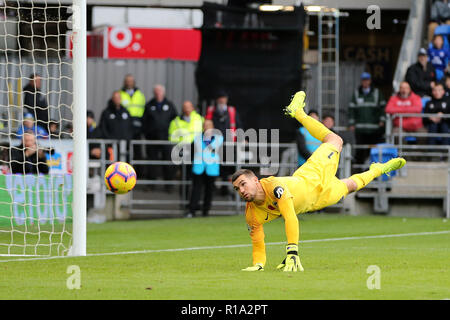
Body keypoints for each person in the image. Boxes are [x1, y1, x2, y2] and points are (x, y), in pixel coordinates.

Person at [232, 91, 406, 272]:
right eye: (237, 189)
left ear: (255, 180)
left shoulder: (274, 186)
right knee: (350, 186)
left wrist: (292, 252)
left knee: (335, 139)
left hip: (311, 175)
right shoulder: (251, 215)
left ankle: (298, 112)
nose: (241, 190)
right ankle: (378, 169)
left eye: (243, 184)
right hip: (318, 199)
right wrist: (258, 265)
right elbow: (258, 243)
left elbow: (290, 216)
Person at [205, 90, 243, 195]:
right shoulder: (211, 111)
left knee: (228, 167)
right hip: (214, 144)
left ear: (226, 99)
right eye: (220, 98)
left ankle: (225, 189)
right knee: (215, 166)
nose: (222, 100)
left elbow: (238, 125)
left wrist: (242, 137)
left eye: (223, 98)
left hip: (229, 144)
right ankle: (212, 188)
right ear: (217, 100)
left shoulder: (232, 111)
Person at [186, 120, 223, 218]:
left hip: (212, 168)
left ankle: (206, 211)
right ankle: (192, 210)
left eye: (209, 126)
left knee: (209, 190)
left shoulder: (219, 139)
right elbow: (191, 151)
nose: (207, 128)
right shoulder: (197, 138)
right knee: (196, 190)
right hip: (199, 167)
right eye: (205, 126)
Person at [348, 72, 386, 164]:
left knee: (373, 151)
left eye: (367, 80)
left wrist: (382, 120)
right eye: (363, 80)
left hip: (374, 130)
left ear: (370, 81)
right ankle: (359, 171)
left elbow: (383, 107)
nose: (365, 82)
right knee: (360, 151)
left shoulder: (377, 93)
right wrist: (352, 123)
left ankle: (372, 171)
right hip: (360, 130)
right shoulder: (357, 94)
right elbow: (351, 109)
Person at [143, 84, 178, 184]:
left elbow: (175, 119)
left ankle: (168, 183)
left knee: (167, 161)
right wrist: (147, 133)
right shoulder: (149, 105)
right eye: (156, 92)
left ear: (163, 92)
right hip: (152, 138)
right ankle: (151, 183)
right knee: (152, 162)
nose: (158, 93)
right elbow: (144, 121)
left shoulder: (169, 105)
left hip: (166, 138)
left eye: (160, 91)